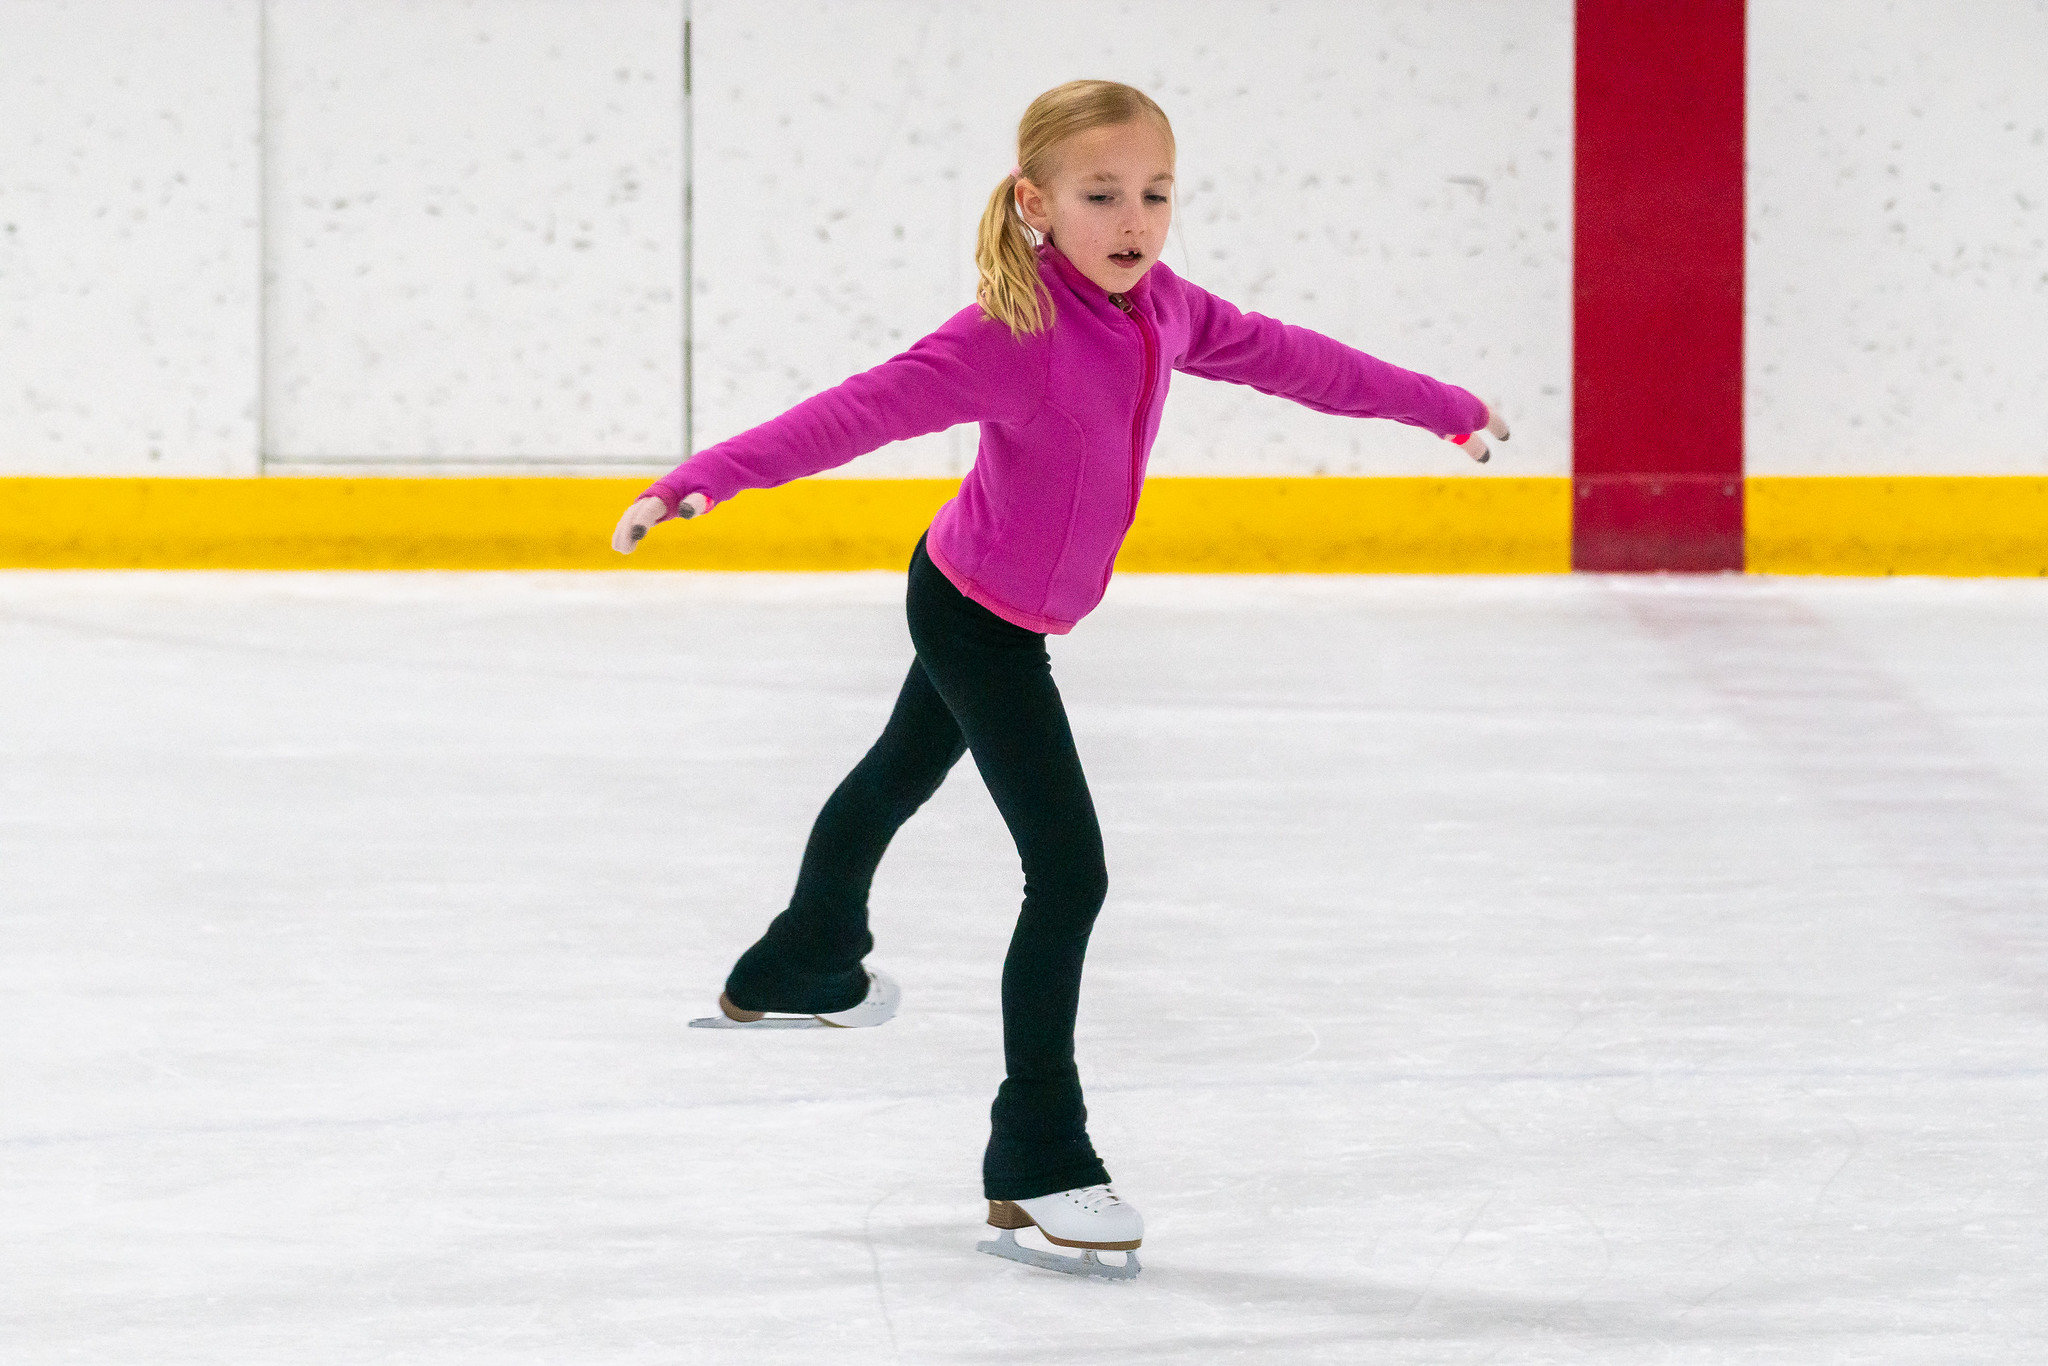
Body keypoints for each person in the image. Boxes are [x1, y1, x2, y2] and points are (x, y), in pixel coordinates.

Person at [611, 78, 1506, 1279]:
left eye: (1153, 193)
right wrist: (699, 480)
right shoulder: (1006, 332)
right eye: (1099, 194)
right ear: (1035, 203)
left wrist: (1440, 409)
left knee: (893, 775)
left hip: (990, 600)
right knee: (1068, 871)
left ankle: (800, 960)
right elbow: (851, 414)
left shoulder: (1168, 310)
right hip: (975, 612)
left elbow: (1299, 362)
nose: (1132, 217)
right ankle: (1036, 1153)